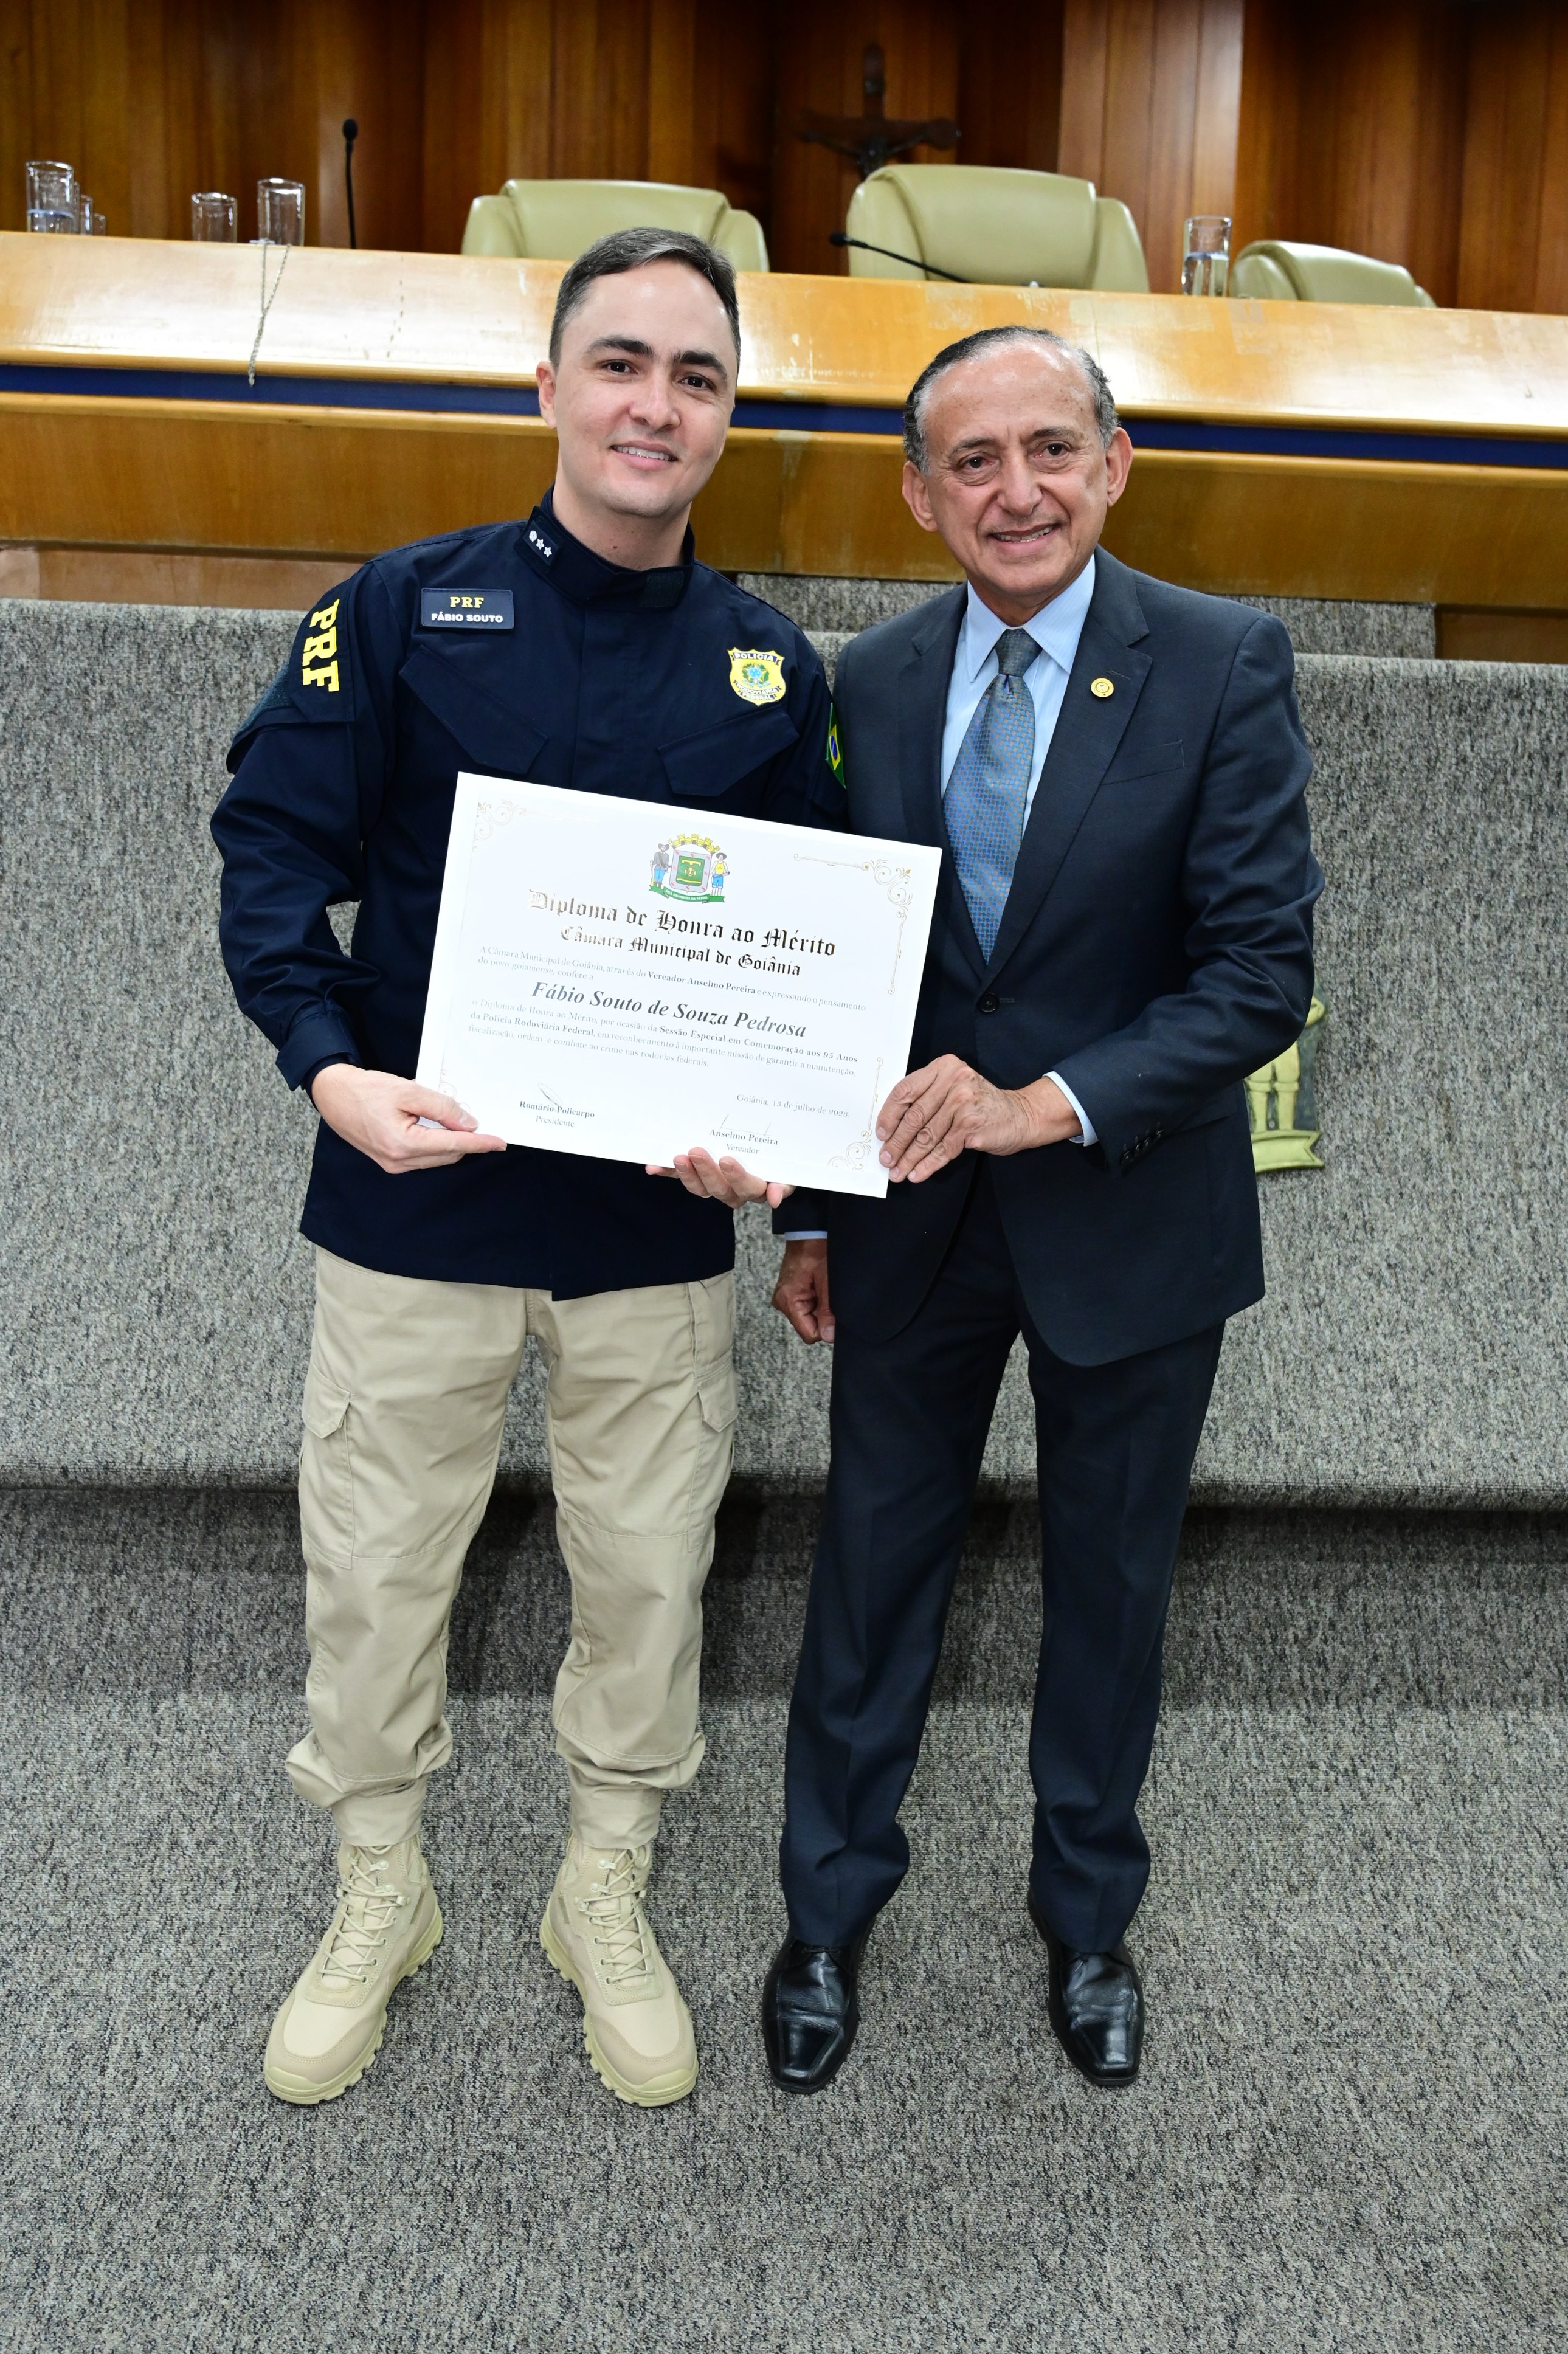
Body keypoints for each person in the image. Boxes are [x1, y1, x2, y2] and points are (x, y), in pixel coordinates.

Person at [212, 228, 842, 2110]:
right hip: (415, 1197)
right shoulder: (403, 611)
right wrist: (325, 1067)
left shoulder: (768, 668)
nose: (657, 404)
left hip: (646, 1232)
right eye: (621, 363)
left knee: (647, 1578)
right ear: (549, 387)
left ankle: (600, 1884)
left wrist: (778, 1147)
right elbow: (271, 853)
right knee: (376, 1569)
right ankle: (379, 1882)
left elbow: (807, 959)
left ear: (726, 418)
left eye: (697, 376)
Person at [762, 325, 1322, 2093]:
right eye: (974, 461)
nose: (1017, 491)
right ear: (919, 496)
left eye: (1051, 450)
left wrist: (1044, 1102)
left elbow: (1260, 974)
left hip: (1129, 1211)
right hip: (908, 1216)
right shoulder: (869, 679)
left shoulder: (1222, 663)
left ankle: (1087, 1921)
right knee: (871, 1574)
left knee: (1111, 1586)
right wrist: (805, 1210)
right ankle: (825, 1914)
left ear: (1113, 463)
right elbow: (824, 962)